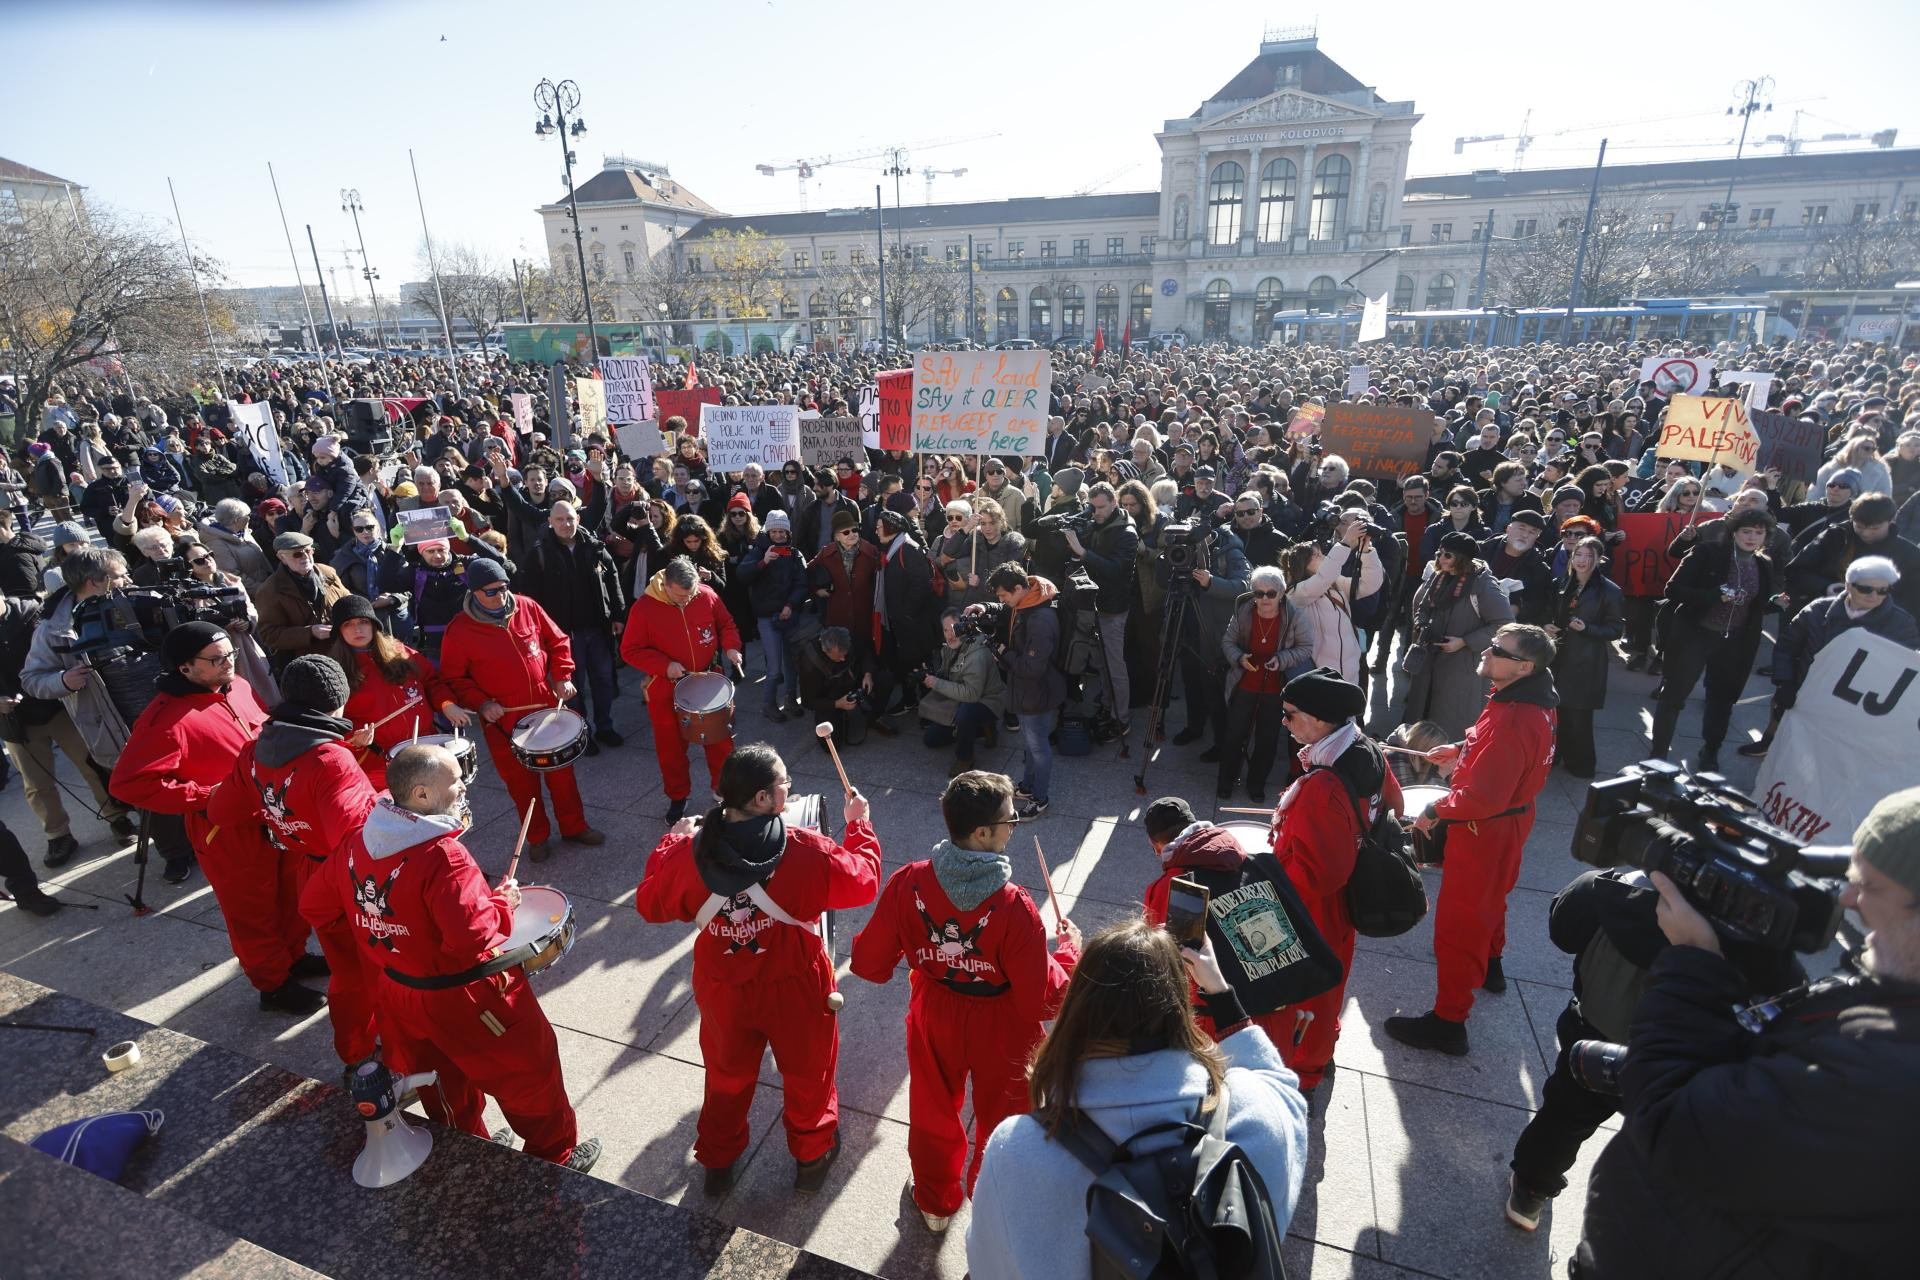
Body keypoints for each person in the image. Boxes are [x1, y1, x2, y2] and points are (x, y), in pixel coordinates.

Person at [1572, 786, 1920, 1278]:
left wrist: (1692, 965)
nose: (1847, 899)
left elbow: (1674, 1125)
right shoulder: (1901, 979)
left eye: (1872, 888)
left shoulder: (1887, 1081)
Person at [966, 920, 1309, 1280]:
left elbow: (988, 1263)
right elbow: (1280, 1084)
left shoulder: (1018, 1149)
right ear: (1180, 1011)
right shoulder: (1254, 1112)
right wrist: (1220, 993)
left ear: (1076, 1014)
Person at [321, 743, 600, 1171]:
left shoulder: (355, 842)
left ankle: (468, 1150)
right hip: (465, 997)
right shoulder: (443, 856)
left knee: (440, 1083)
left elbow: (316, 905)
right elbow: (472, 937)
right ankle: (553, 1158)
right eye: (455, 781)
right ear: (422, 794)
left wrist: (388, 939)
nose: (465, 786)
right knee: (530, 1075)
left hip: (399, 993)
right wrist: (502, 904)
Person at [635, 745, 881, 1196]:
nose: (790, 787)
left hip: (723, 986)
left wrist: (670, 842)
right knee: (808, 1074)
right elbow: (863, 882)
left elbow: (649, 903)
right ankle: (812, 1155)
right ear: (763, 799)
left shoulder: (689, 853)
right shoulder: (806, 849)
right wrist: (859, 825)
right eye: (784, 783)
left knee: (726, 1076)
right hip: (797, 984)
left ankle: (718, 1160)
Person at [1501, 866, 1802, 1234]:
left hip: (1594, 1037)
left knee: (1564, 1117)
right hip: (1679, 1065)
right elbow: (1785, 999)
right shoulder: (1749, 932)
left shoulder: (1609, 889)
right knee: (1658, 1143)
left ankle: (1531, 1189)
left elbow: (1563, 929)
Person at [850, 770, 1081, 1232]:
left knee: (932, 1107)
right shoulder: (1014, 905)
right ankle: (994, 1202)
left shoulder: (909, 881)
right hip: (1003, 1021)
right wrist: (1070, 952)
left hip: (936, 1009)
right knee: (1005, 1115)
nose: (1013, 827)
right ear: (981, 833)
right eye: (1009, 820)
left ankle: (935, 1203)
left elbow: (869, 962)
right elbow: (1044, 999)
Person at [1389, 623, 1558, 1054]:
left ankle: (1448, 1023)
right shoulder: (1530, 696)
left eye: (1498, 649)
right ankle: (1492, 963)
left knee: (1460, 924)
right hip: (1509, 821)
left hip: (1486, 828)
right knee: (1493, 897)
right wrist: (1460, 749)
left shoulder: (1516, 718)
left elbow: (1482, 797)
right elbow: (1493, 745)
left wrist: (1433, 811)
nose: (1486, 650)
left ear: (1523, 666)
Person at [201, 655, 377, 1016]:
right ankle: (372, 1037)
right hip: (347, 879)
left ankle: (355, 1041)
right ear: (338, 700)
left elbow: (220, 811)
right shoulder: (331, 760)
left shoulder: (255, 750)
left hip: (307, 869)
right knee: (369, 968)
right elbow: (357, 839)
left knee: (343, 962)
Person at [440, 558, 604, 859]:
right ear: (474, 592)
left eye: (504, 587)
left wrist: (563, 676)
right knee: (521, 783)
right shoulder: (459, 630)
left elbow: (558, 641)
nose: (501, 596)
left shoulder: (527, 606)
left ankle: (574, 826)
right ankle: (537, 837)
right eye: (491, 591)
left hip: (544, 705)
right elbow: (454, 679)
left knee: (562, 776)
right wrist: (482, 703)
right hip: (502, 717)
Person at [108, 621, 269, 886]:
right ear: (185, 668)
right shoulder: (164, 722)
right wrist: (206, 795)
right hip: (230, 835)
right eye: (217, 659)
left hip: (273, 816)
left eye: (231, 653)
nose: (229, 662)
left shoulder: (238, 685)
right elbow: (128, 784)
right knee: (257, 906)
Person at [0, 593, 137, 867]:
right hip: (15, 721)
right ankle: (58, 835)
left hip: (60, 706)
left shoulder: (32, 613)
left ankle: (118, 817)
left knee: (94, 764)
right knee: (36, 784)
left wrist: (63, 680)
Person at [1739, 555, 1919, 758]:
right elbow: (1787, 647)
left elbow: (1902, 668)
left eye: (1883, 590)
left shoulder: (1901, 624)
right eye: (1866, 589)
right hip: (1804, 688)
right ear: (1849, 585)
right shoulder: (1817, 610)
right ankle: (1768, 743)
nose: (1874, 596)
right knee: (1782, 724)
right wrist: (1784, 682)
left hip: (1852, 704)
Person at [1648, 508, 1784, 773]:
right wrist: (1713, 596)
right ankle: (1658, 752)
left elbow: (1754, 605)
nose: (1752, 538)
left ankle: (1710, 751)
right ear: (1733, 532)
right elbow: (1673, 590)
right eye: (1746, 531)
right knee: (1673, 695)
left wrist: (1773, 602)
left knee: (1722, 700)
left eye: (1758, 533)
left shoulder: (1763, 564)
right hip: (1695, 635)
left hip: (1734, 641)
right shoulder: (1707, 552)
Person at [325, 595, 470, 790]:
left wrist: (447, 704)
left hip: (425, 748)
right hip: (380, 761)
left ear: (374, 625)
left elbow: (432, 682)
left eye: (363, 622)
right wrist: (356, 739)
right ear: (339, 631)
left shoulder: (401, 652)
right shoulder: (334, 671)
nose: (357, 629)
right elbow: (332, 723)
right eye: (348, 624)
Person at [515, 499, 626, 754]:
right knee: (573, 688)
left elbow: (612, 578)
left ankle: (605, 726)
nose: (566, 524)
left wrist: (618, 615)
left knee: (604, 681)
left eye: (570, 519)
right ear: (550, 522)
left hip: (598, 630)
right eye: (560, 520)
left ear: (578, 519)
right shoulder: (539, 553)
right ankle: (581, 732)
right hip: (564, 636)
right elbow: (530, 600)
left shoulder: (594, 546)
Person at [1402, 530, 1517, 739]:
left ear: (1462, 559)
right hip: (1429, 661)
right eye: (1439, 553)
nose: (1441, 559)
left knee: (1450, 723)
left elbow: (1504, 624)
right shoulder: (1438, 576)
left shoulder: (1483, 585)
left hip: (1461, 667)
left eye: (1447, 555)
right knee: (1420, 715)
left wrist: (1464, 641)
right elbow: (1422, 606)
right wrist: (1422, 625)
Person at [1215, 565, 1315, 802]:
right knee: (1233, 736)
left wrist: (1281, 659)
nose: (1264, 599)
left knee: (1267, 739)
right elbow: (1228, 641)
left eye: (1271, 593)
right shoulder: (1243, 611)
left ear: (1281, 593)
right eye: (1259, 593)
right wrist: (1239, 658)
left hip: (1275, 688)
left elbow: (1305, 647)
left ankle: (1256, 784)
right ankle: (1226, 781)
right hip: (1244, 684)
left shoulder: (1294, 616)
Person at [982, 563, 1067, 819]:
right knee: (1031, 743)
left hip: (1037, 693)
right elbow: (1005, 610)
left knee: (1038, 747)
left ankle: (1040, 798)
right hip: (1028, 691)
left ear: (1019, 588)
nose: (1002, 601)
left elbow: (1032, 668)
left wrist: (1003, 652)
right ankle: (1028, 787)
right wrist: (984, 607)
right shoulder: (1028, 600)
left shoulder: (1040, 620)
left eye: (1003, 595)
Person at [1058, 481, 1138, 729]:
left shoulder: (1127, 533)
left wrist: (1082, 552)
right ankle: (1106, 704)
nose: (1096, 513)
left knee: (1114, 666)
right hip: (1091, 604)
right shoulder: (1094, 523)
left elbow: (1116, 570)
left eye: (1101, 507)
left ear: (1114, 503)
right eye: (1092, 508)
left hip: (1112, 608)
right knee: (1101, 663)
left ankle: (1121, 719)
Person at [1548, 536, 1626, 778]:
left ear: (1599, 559)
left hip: (1586, 660)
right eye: (1578, 555)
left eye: (1589, 556)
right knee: (1555, 711)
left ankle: (1581, 765)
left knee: (1578, 716)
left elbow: (1616, 629)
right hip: (1558, 655)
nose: (1582, 561)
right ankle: (1554, 756)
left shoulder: (1609, 590)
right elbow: (1551, 611)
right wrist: (1548, 624)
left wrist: (1588, 629)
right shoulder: (1562, 582)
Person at [1280, 519, 1377, 684]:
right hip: (1319, 674)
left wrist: (1366, 551)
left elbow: (1369, 585)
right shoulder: (1295, 593)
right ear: (1303, 565)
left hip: (1350, 670)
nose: (1324, 557)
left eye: (1322, 553)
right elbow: (1322, 578)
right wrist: (1345, 543)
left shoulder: (1334, 583)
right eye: (1317, 556)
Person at [917, 608, 1007, 776]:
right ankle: (983, 729)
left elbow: (972, 694)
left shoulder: (977, 653)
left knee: (966, 713)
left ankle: (965, 758)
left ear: (966, 628)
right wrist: (928, 674)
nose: (950, 635)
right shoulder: (951, 647)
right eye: (945, 630)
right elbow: (948, 676)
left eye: (954, 629)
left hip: (988, 700)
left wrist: (936, 683)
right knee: (931, 739)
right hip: (961, 698)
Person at [738, 509, 808, 722]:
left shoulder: (794, 554)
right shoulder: (759, 550)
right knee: (775, 666)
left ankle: (790, 700)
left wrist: (791, 604)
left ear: (788, 533)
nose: (778, 535)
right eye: (774, 531)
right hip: (767, 617)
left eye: (782, 532)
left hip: (789, 614)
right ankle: (769, 705)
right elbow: (742, 574)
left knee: (792, 662)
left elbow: (802, 583)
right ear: (768, 532)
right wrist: (763, 562)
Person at [252, 531, 350, 672]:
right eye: (297, 554)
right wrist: (310, 633)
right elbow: (269, 635)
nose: (305, 557)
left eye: (308, 551)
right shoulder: (269, 591)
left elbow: (348, 601)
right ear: (282, 557)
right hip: (309, 665)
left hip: (343, 651)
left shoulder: (327, 572)